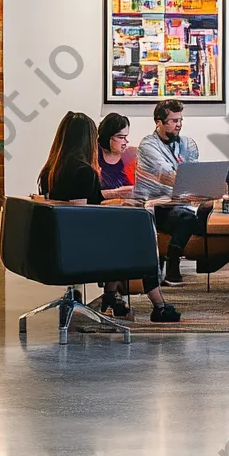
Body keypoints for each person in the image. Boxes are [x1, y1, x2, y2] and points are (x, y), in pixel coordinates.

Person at [38, 111, 180, 323]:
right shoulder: (83, 171)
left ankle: (111, 298)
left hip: (57, 244)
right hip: (77, 248)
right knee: (141, 240)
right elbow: (79, 217)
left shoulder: (51, 169)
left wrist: (115, 201)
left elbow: (77, 206)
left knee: (127, 233)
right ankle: (158, 305)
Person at [134, 100, 201, 287]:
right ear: (159, 122)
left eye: (180, 120)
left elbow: (192, 172)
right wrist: (193, 186)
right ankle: (173, 262)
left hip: (180, 202)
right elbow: (166, 175)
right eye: (173, 121)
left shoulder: (187, 144)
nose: (178, 124)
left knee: (204, 213)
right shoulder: (148, 145)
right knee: (187, 218)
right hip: (156, 205)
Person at [97, 113, 134, 200]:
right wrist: (114, 193)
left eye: (126, 137)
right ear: (107, 136)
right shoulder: (93, 155)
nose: (126, 141)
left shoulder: (130, 155)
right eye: (121, 137)